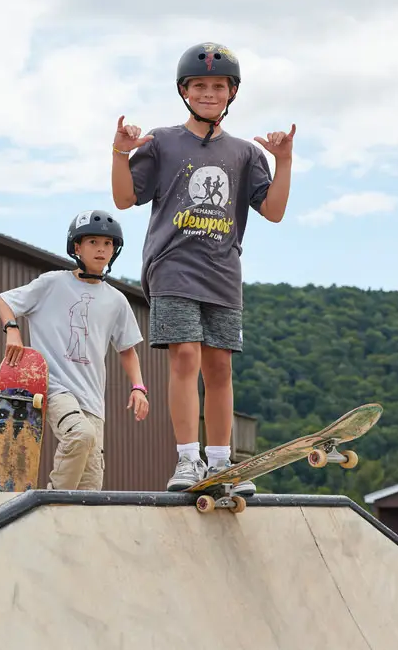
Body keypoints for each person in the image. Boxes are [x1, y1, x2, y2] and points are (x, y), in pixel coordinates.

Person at [109, 42, 296, 493]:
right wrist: (119, 153)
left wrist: (284, 160)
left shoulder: (245, 154)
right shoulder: (163, 141)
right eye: (199, 85)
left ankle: (220, 464)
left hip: (223, 273)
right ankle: (188, 460)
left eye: (218, 86)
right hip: (172, 266)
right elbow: (123, 199)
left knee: (219, 368)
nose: (208, 92)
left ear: (231, 92)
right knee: (186, 357)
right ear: (184, 91)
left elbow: (273, 210)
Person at [0, 210, 150, 491]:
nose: (101, 249)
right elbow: (5, 300)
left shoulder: (117, 300)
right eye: (92, 242)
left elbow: (127, 349)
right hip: (54, 387)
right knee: (79, 435)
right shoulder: (51, 283)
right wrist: (12, 330)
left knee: (90, 488)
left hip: (93, 399)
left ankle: (63, 525)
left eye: (107, 243)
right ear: (77, 248)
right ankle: (50, 500)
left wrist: (138, 387)